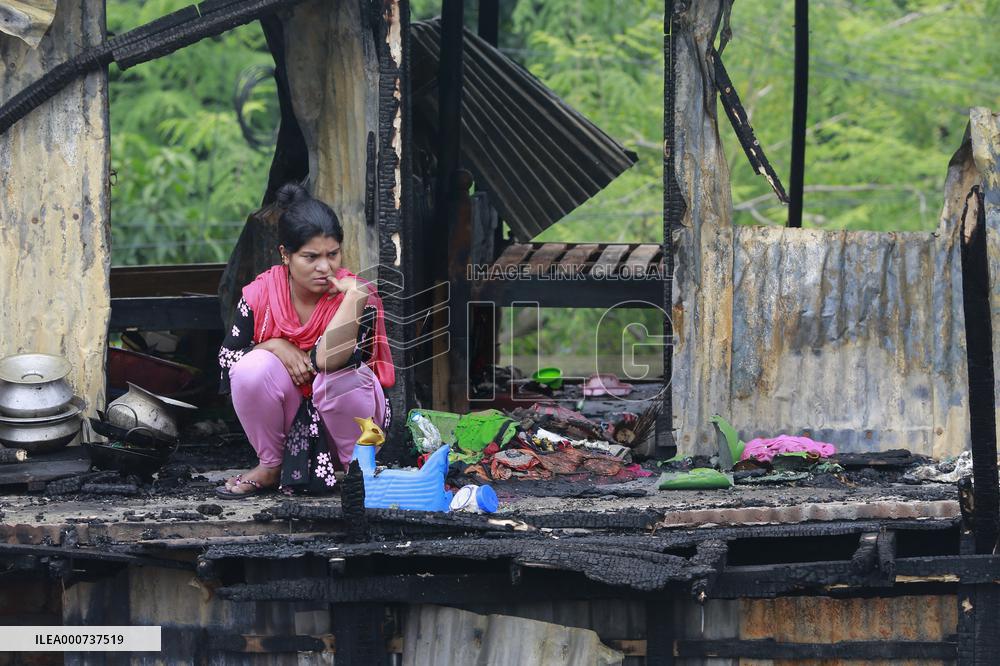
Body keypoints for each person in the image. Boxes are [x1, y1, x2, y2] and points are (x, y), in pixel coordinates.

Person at [216, 183, 394, 497]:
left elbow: (328, 361)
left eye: (333, 254)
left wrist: (353, 298)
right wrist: (274, 346)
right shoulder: (260, 296)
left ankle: (356, 470)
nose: (325, 267)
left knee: (336, 379)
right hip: (290, 419)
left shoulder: (358, 295)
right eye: (310, 257)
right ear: (285, 254)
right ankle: (271, 465)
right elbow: (227, 359)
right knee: (251, 367)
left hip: (358, 424)